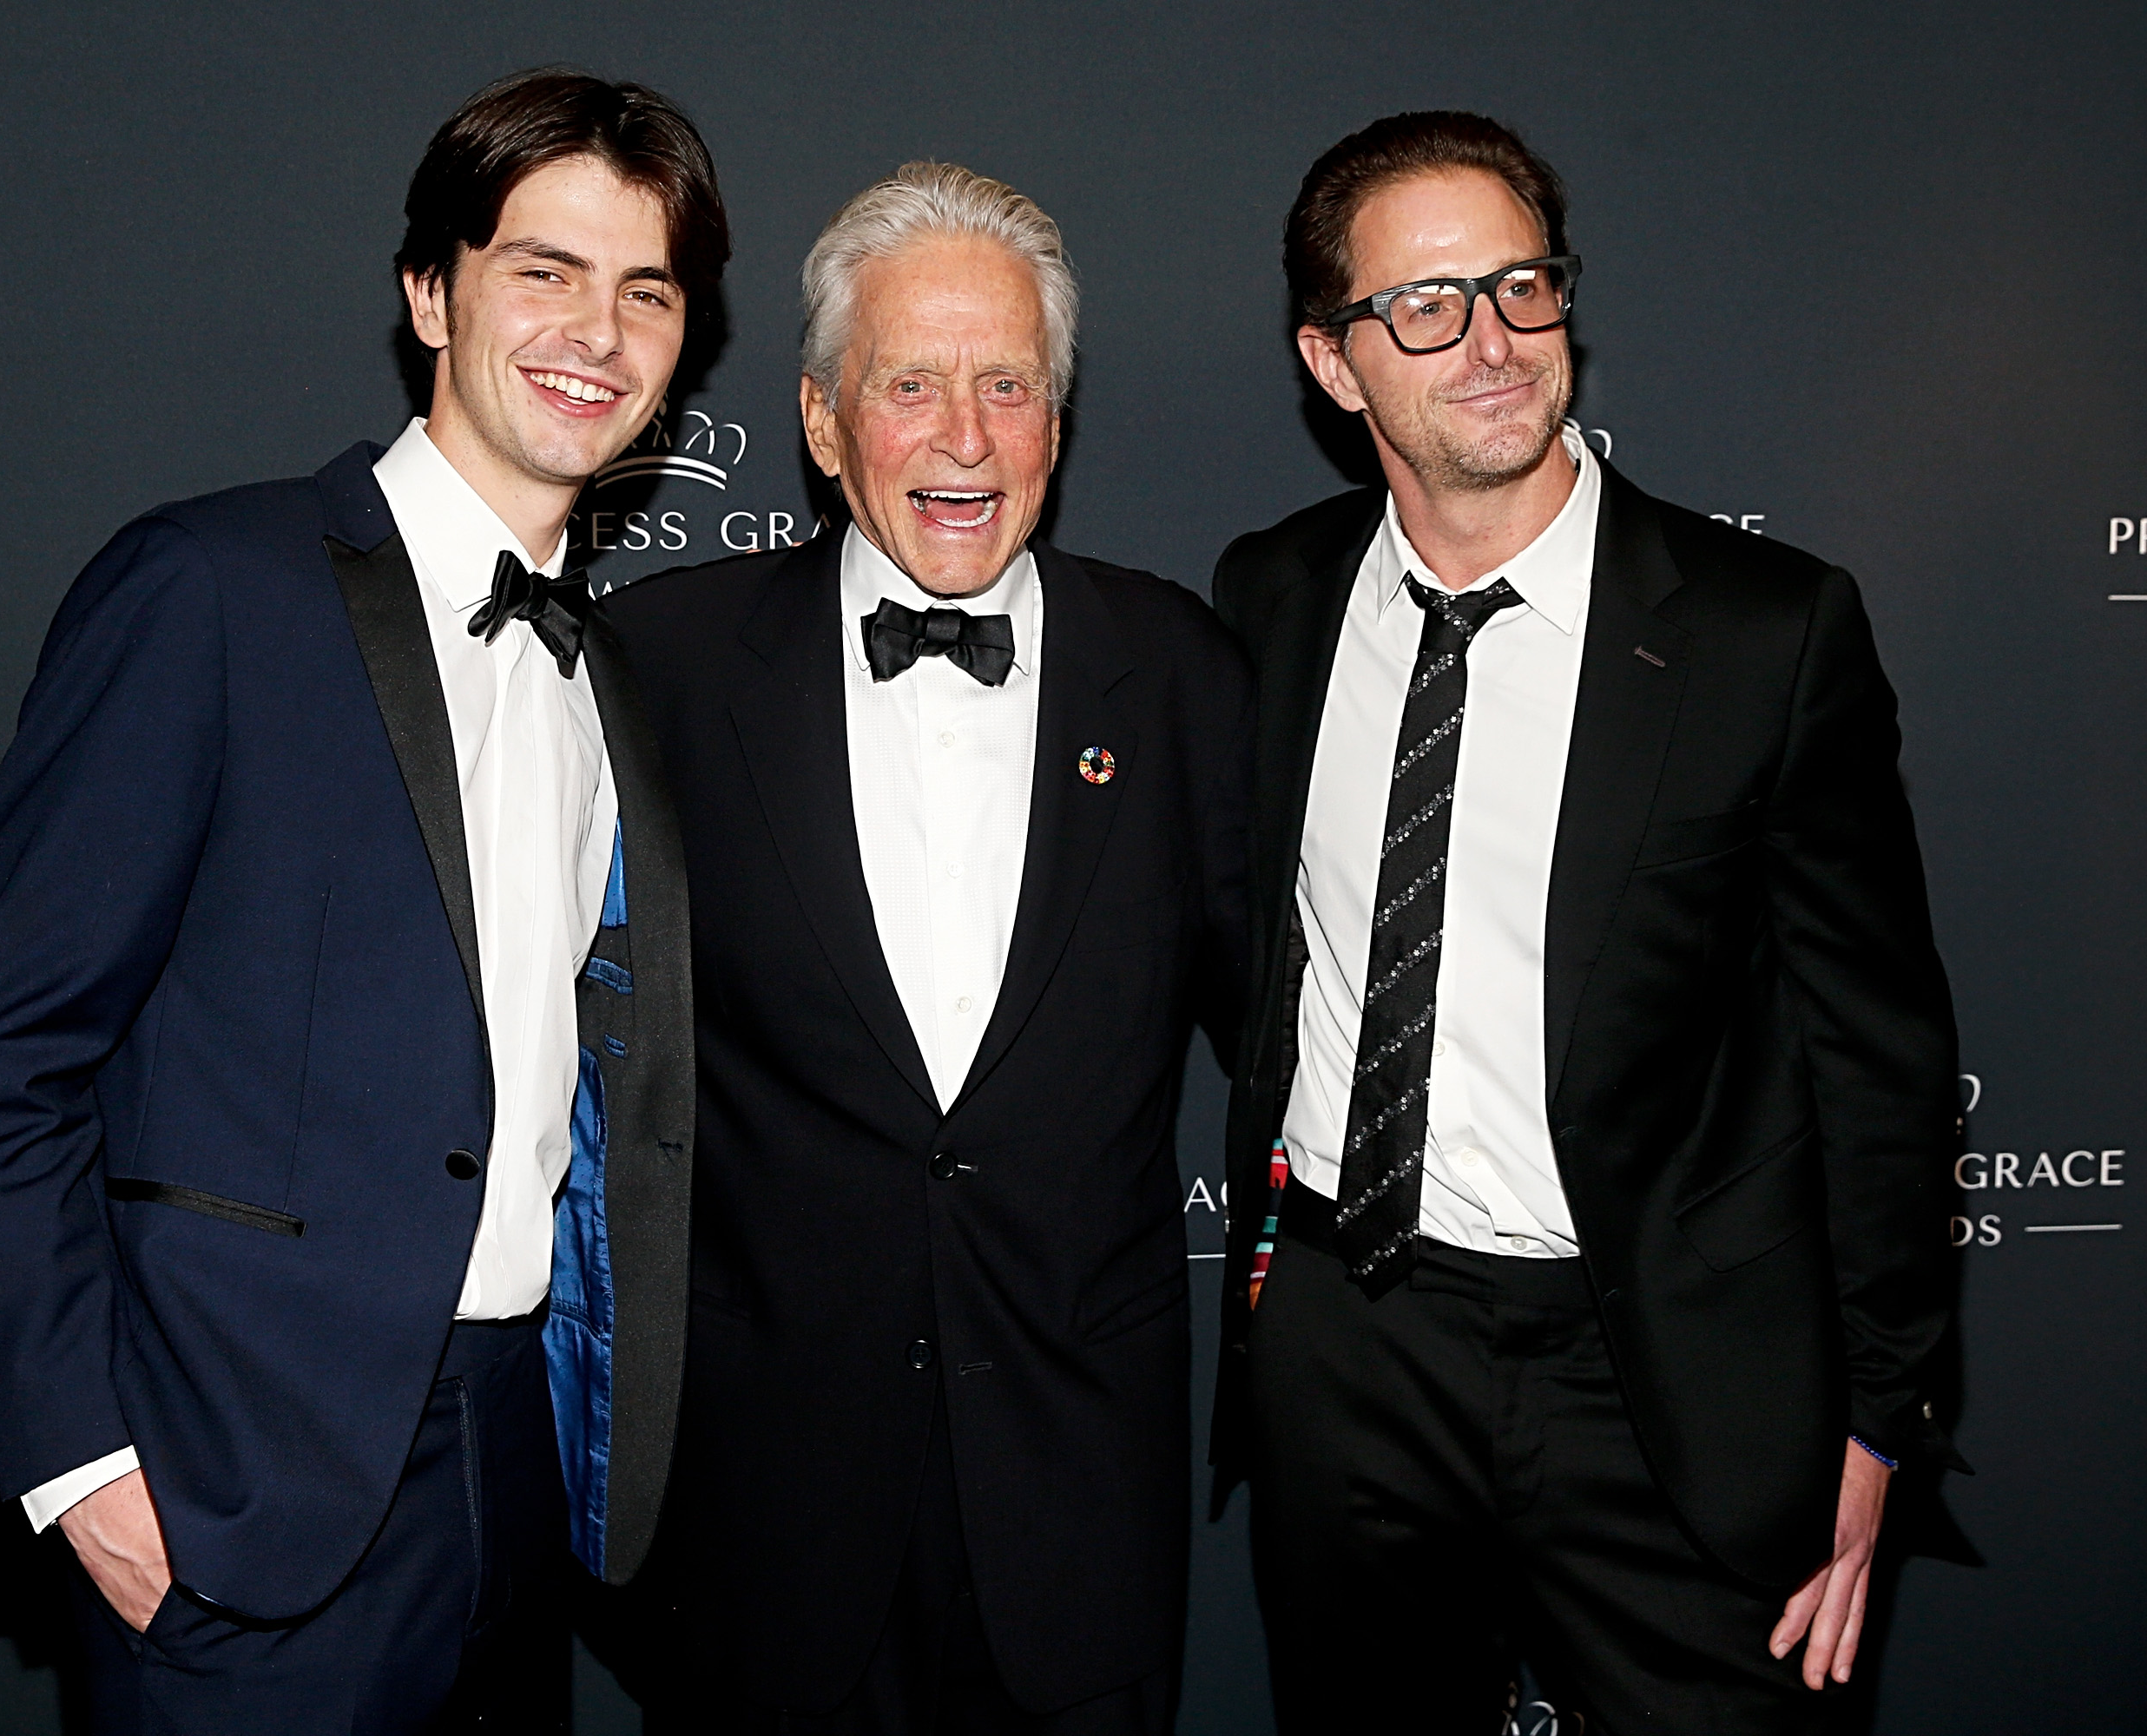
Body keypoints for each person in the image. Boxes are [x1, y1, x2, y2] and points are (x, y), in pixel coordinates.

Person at [0, 69, 720, 1732]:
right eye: (543, 271)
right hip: (238, 1483)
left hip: (519, 1465)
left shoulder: (613, 681)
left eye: (645, 290)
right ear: (431, 291)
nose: (597, 330)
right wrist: (80, 1468)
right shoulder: (209, 588)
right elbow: (5, 1066)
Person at [1209, 111, 1966, 1733]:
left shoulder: (1767, 633)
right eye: (1424, 305)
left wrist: (1881, 1415)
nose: (1488, 342)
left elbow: (1879, 1055)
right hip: (1352, 1341)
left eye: (1521, 287)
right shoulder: (1271, 598)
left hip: (1664, 1376)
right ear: (1334, 366)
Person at [600, 162, 1250, 1733]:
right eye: (912, 385)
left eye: (1008, 385)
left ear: (1056, 419)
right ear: (824, 424)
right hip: (761, 1516)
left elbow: (1300, 1039)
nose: (965, 439)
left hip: (1077, 1497)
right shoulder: (659, 672)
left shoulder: (1180, 674)